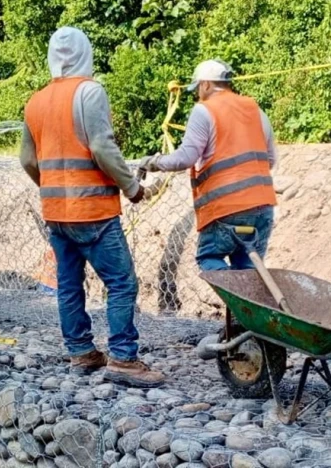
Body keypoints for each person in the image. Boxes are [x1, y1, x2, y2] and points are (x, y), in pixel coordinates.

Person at [20, 26, 164, 388]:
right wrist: (133, 188)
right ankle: (123, 358)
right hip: (94, 211)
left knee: (69, 285)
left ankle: (81, 351)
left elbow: (26, 159)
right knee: (121, 283)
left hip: (56, 213)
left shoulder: (35, 102)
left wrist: (51, 188)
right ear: (86, 53)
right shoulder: (90, 92)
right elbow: (102, 147)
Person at [140, 59, 278, 271]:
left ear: (205, 84)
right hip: (262, 206)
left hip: (225, 209)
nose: (198, 94)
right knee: (249, 272)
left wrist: (154, 162)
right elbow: (270, 160)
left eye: (198, 89)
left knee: (209, 257)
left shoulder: (204, 111)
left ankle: (233, 295)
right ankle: (241, 303)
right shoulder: (255, 110)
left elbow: (185, 158)